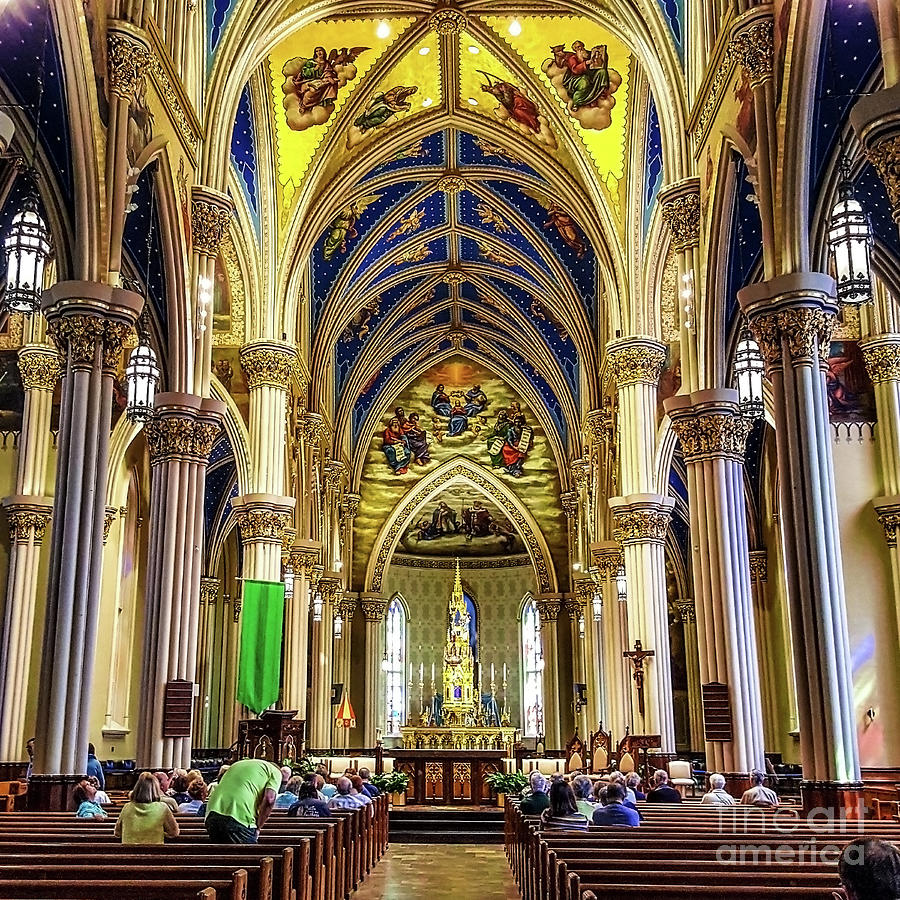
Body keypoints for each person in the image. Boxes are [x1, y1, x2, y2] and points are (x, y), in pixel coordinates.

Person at [204, 757, 281, 843]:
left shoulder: (238, 764)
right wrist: (258, 827)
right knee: (250, 855)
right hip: (239, 817)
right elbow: (269, 799)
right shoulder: (275, 771)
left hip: (212, 813)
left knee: (220, 854)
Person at [115, 772, 180, 844]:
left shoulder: (127, 807)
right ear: (155, 789)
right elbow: (173, 832)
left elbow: (118, 833)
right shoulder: (162, 808)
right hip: (154, 852)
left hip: (129, 853)